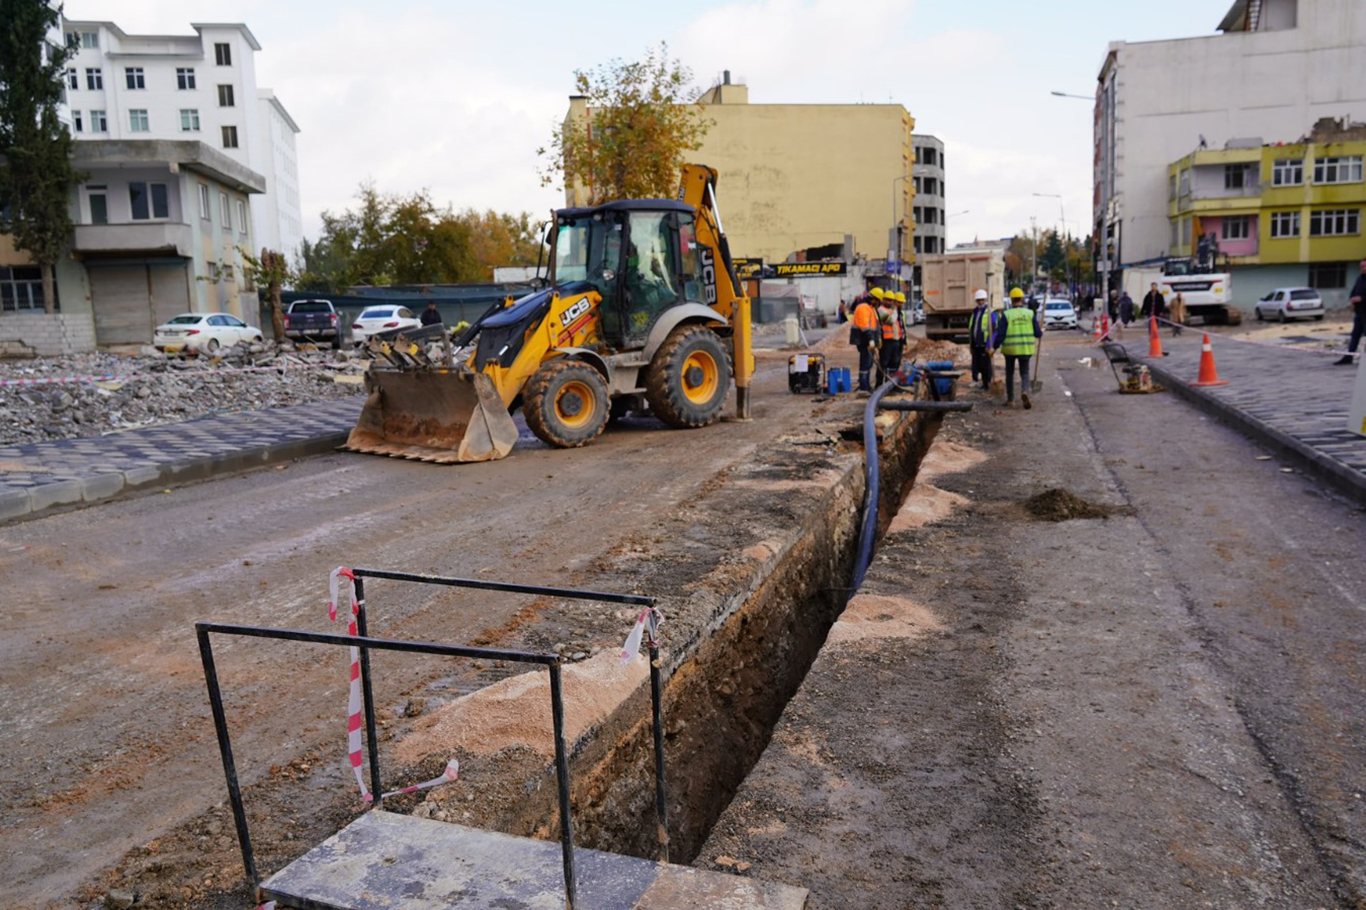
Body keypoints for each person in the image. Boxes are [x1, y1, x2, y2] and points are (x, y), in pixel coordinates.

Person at [991, 286, 1042, 408]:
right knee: (1024, 372)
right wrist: (1041, 332)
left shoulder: (1007, 314)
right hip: (1025, 349)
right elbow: (1037, 333)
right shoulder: (1030, 313)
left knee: (1010, 373)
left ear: (1011, 300)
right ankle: (1024, 391)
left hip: (1010, 350)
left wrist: (994, 347)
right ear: (1022, 299)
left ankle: (1011, 399)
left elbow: (1001, 334)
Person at [850, 289, 882, 392]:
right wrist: (871, 339)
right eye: (877, 301)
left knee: (869, 364)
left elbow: (874, 325)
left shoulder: (870, 307)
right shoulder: (863, 307)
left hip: (868, 339)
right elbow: (864, 326)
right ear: (873, 299)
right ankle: (864, 386)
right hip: (864, 340)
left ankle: (867, 386)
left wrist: (877, 338)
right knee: (865, 364)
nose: (878, 303)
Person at [1336, 258, 1366, 365]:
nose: (1362, 269)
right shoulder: (1359, 279)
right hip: (1359, 312)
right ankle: (1349, 357)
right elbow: (1353, 292)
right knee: (1355, 336)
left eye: (1364, 266)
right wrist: (1352, 300)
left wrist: (1361, 299)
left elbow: (1361, 296)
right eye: (1361, 266)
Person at [967, 288, 997, 390]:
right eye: (978, 300)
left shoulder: (990, 312)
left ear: (986, 300)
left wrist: (989, 345)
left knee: (986, 366)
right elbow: (972, 328)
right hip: (976, 343)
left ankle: (987, 384)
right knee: (976, 364)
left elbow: (993, 330)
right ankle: (978, 381)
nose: (980, 302)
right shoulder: (975, 312)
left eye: (982, 300)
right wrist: (971, 344)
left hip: (985, 343)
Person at [877, 291, 907, 386]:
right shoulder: (881, 310)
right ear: (883, 300)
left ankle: (891, 384)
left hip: (895, 340)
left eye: (891, 301)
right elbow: (891, 320)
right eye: (887, 300)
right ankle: (879, 384)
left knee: (894, 363)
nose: (889, 302)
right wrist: (895, 311)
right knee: (884, 363)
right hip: (886, 341)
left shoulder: (892, 311)